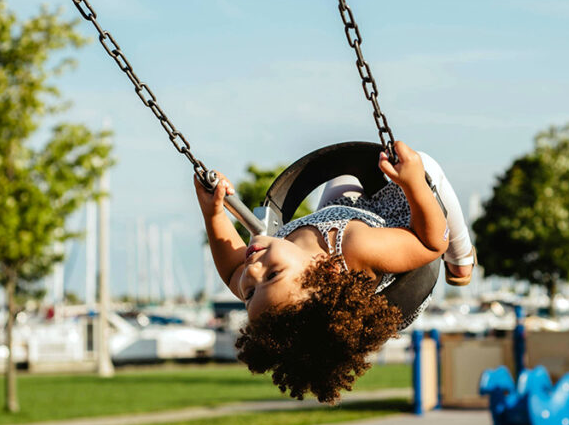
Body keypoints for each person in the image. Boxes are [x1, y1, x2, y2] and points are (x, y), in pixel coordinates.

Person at [194, 140, 476, 403]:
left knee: (345, 173)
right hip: (401, 224)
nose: (253, 270)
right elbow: (430, 244)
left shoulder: (274, 282)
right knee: (426, 167)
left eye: (250, 292)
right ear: (327, 271)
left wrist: (214, 213)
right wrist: (414, 184)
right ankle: (462, 258)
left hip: (340, 212)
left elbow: (232, 270)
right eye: (272, 274)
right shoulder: (358, 247)